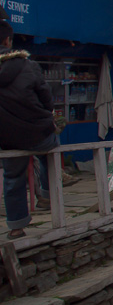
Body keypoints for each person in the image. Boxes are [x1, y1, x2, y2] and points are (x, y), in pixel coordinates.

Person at [0, 21, 57, 239]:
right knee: (49, 153)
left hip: (7, 139)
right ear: (8, 41)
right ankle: (48, 193)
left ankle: (16, 227)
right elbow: (48, 102)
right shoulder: (28, 65)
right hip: (38, 134)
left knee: (13, 177)